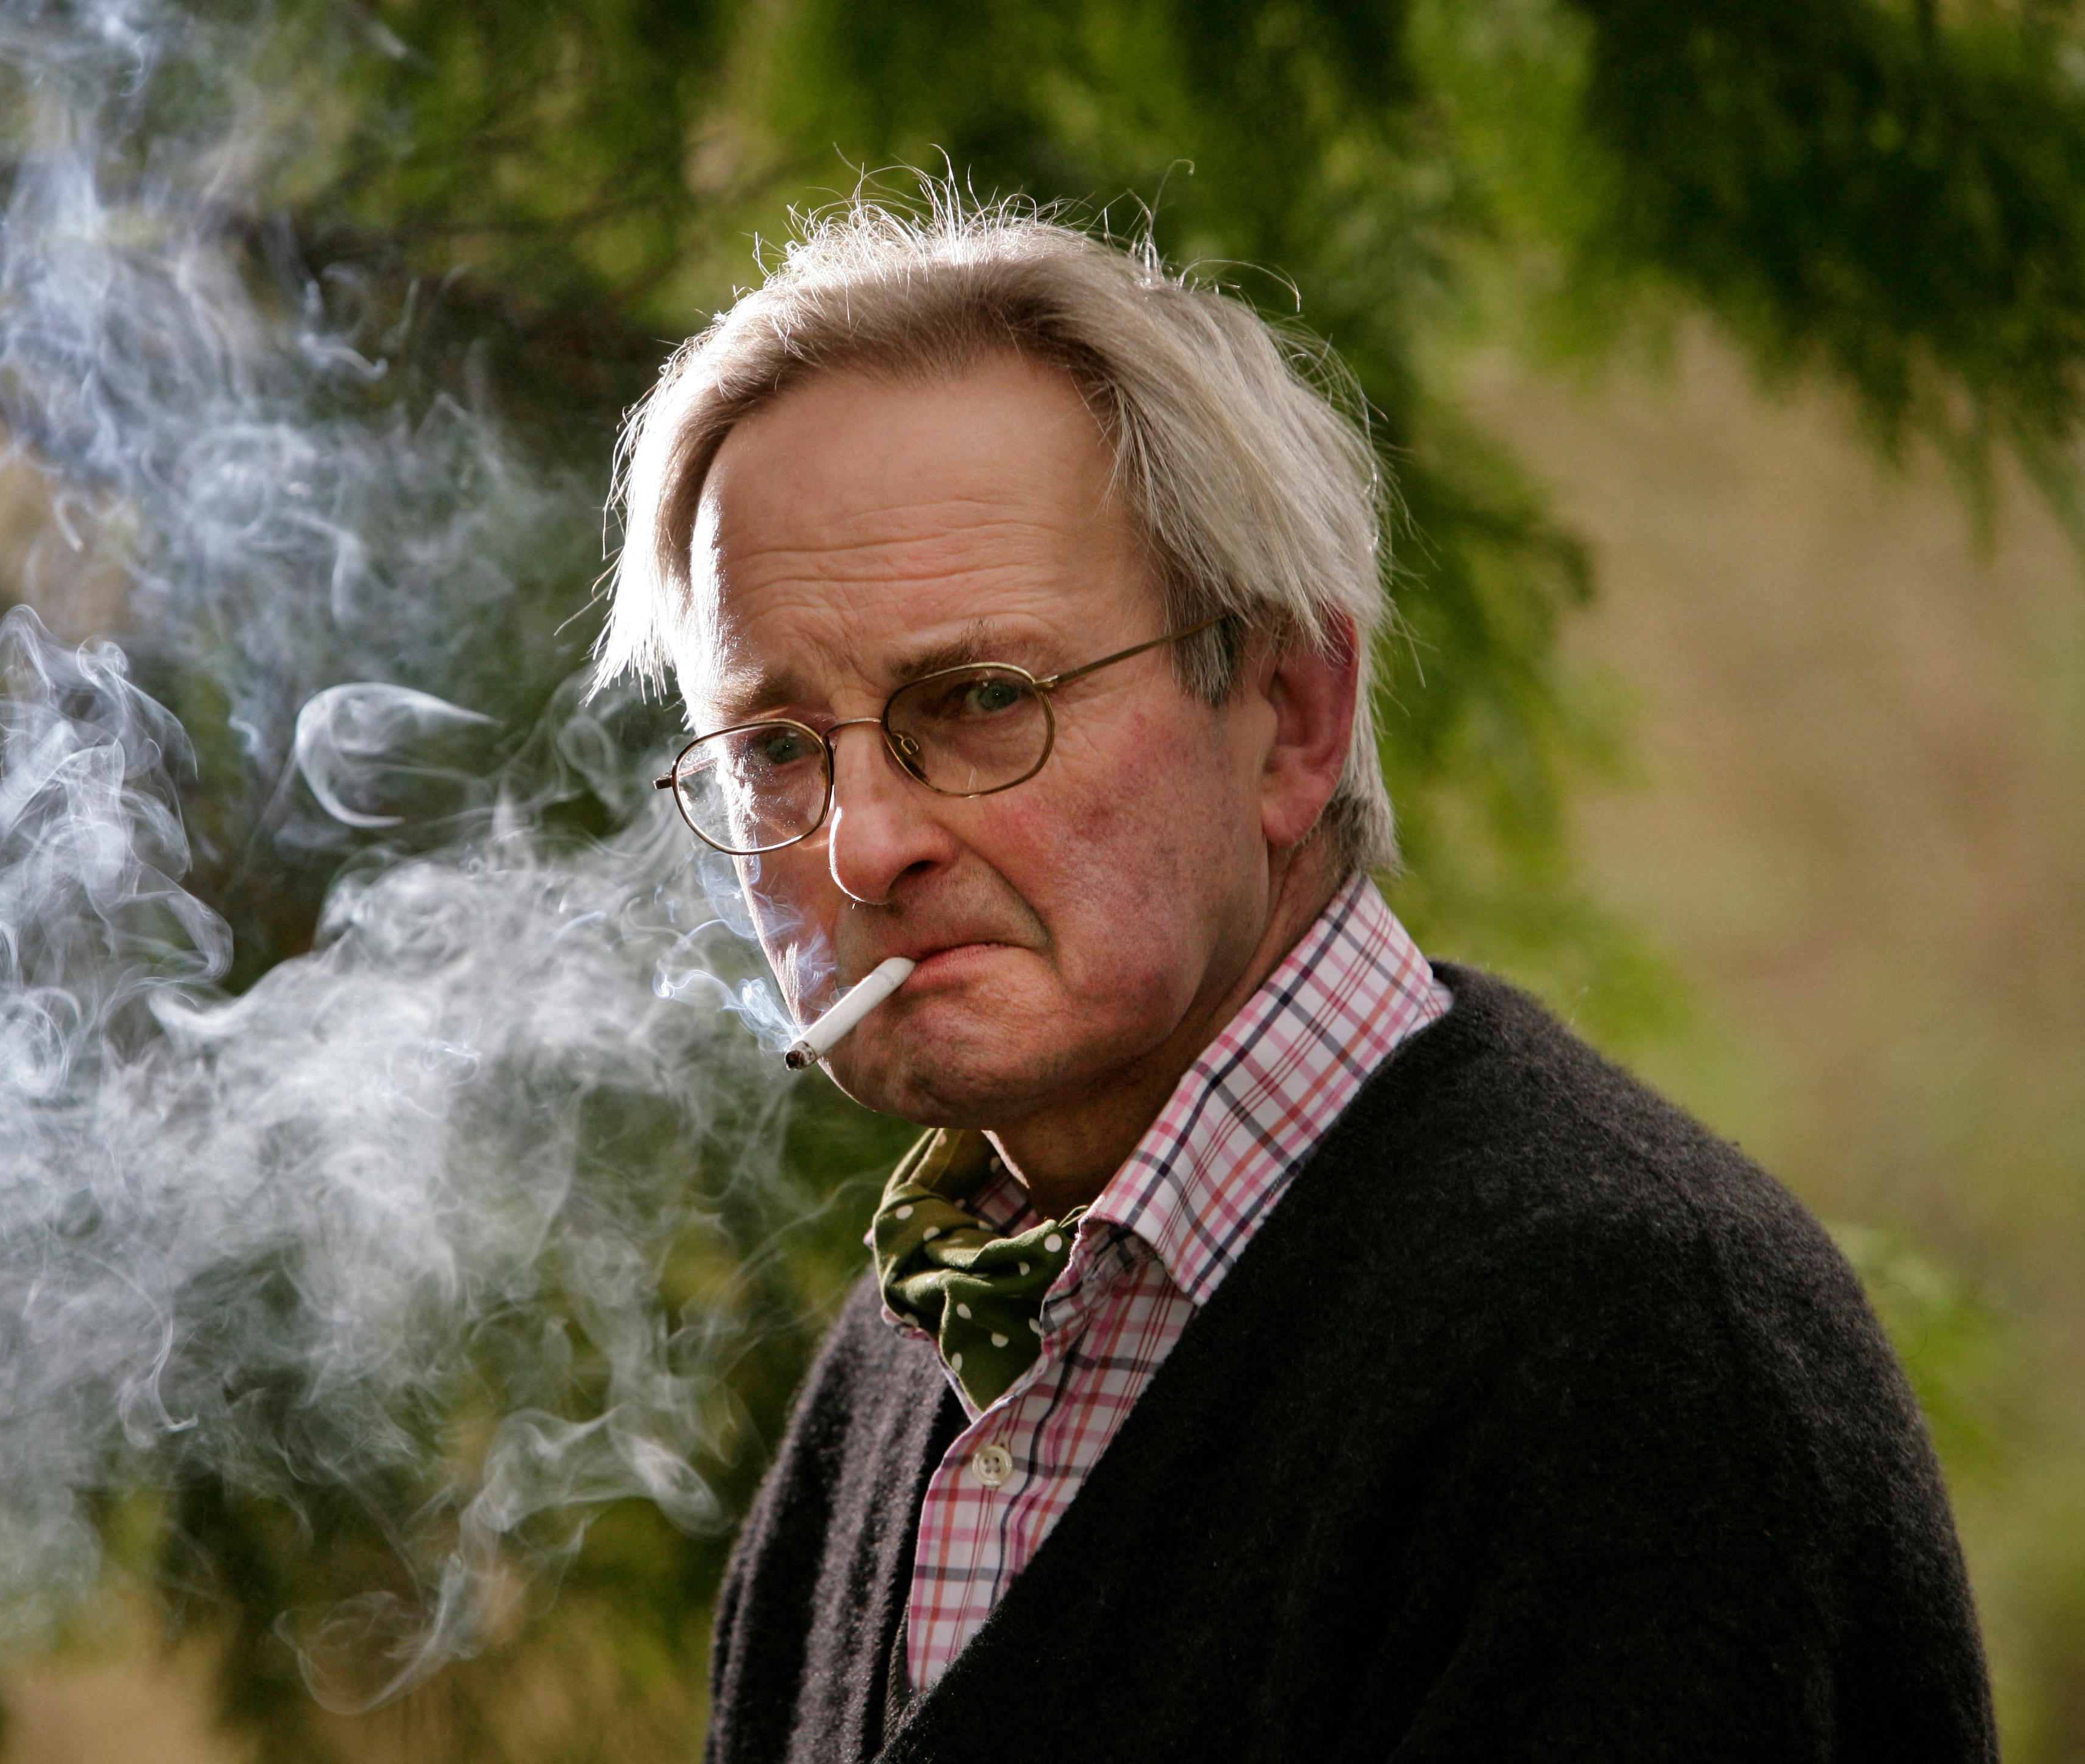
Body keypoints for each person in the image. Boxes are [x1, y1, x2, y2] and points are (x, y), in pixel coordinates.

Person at [596, 199, 1995, 1763]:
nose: (861, 845)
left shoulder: (1617, 1350)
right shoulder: (898, 1365)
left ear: (1289, 715)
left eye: (982, 698)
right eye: (779, 748)